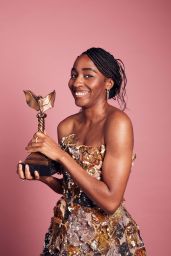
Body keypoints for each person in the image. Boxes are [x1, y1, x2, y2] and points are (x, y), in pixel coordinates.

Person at [17, 47, 147, 255]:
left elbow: (110, 201)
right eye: (74, 74)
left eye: (88, 75)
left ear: (108, 83)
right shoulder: (66, 127)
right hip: (67, 234)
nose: (77, 82)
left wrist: (60, 155)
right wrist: (43, 177)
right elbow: (73, 189)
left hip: (106, 239)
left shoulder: (118, 123)